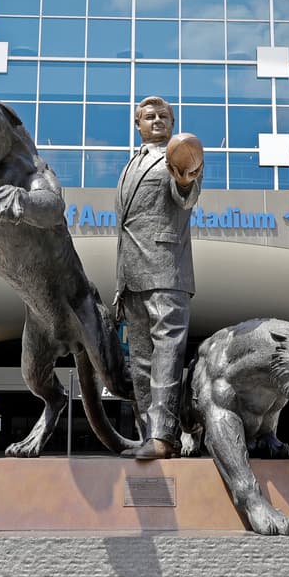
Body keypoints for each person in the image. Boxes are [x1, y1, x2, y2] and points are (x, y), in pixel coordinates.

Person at [114, 96, 203, 460]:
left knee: (167, 353)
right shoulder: (130, 164)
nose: (157, 121)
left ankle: (165, 436)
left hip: (167, 270)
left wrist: (183, 178)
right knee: (140, 362)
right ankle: (148, 434)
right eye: (149, 116)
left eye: (163, 116)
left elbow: (186, 195)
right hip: (131, 276)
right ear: (138, 123)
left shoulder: (178, 153)